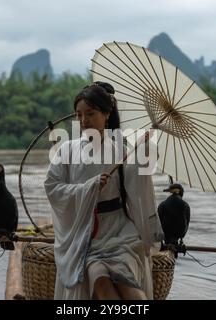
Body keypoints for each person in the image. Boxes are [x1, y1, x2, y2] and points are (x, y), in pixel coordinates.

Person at [44, 81, 163, 300]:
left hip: (119, 233)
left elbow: (136, 187)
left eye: (90, 114)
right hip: (85, 236)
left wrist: (143, 151)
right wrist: (89, 187)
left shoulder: (123, 149)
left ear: (107, 114)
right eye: (78, 115)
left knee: (129, 287)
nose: (83, 121)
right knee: (100, 280)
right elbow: (52, 188)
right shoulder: (67, 150)